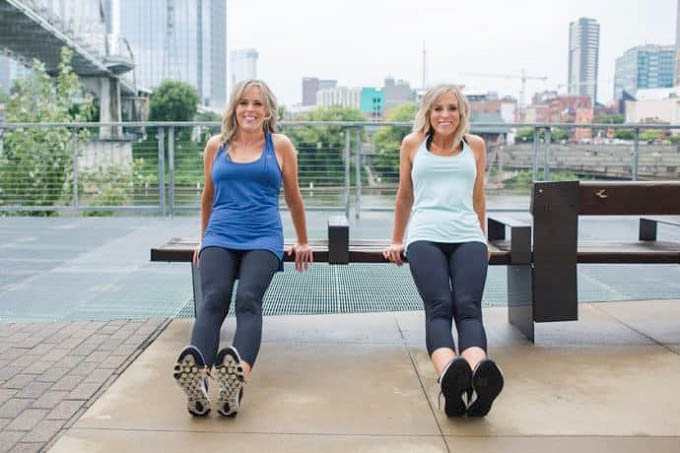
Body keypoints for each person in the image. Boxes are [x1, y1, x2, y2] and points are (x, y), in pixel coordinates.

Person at [173, 79, 312, 417]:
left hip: (263, 237)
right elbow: (208, 197)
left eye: (257, 104)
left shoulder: (280, 146)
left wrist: (303, 240)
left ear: (267, 111)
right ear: (234, 108)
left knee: (248, 299)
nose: (250, 109)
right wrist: (204, 239)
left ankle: (236, 379)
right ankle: (200, 385)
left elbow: (293, 197)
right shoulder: (215, 146)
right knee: (214, 299)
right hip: (220, 235)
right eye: (244, 103)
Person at [383, 84, 503, 417]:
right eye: (438, 108)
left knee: (468, 307)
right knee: (439, 306)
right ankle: (451, 371)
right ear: (428, 112)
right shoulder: (412, 144)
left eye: (452, 108)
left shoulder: (475, 146)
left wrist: (483, 236)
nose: (445, 115)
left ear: (461, 113)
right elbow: (404, 196)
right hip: (424, 236)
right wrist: (397, 239)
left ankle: (480, 375)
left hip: (468, 236)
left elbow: (479, 198)